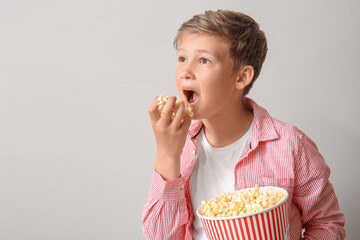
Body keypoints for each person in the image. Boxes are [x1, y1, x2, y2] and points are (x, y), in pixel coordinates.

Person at [141, 10, 346, 239]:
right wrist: (167, 155)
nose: (185, 73)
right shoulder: (179, 147)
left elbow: (327, 223)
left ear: (241, 77)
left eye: (204, 60)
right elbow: (159, 236)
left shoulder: (292, 146)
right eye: (182, 59)